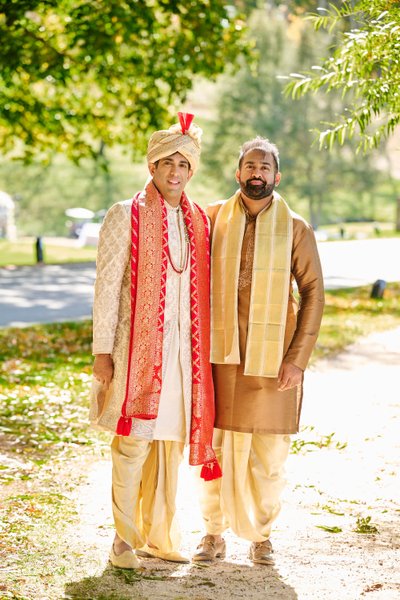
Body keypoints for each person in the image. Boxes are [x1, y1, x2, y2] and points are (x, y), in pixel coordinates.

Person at [90, 113, 220, 570]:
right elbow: (106, 287)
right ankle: (123, 540)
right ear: (152, 166)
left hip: (184, 357)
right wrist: (102, 352)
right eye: (167, 162)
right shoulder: (125, 214)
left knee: (168, 445)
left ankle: (159, 537)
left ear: (191, 171)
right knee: (132, 443)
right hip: (135, 354)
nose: (175, 173)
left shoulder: (199, 221)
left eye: (184, 165)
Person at [193, 136, 325, 565]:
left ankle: (261, 536)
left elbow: (313, 293)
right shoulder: (212, 219)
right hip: (219, 359)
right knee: (213, 450)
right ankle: (212, 532)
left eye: (265, 167)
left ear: (276, 176)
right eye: (250, 165)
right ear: (238, 173)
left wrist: (297, 360)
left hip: (273, 364)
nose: (257, 173)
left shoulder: (296, 227)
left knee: (268, 459)